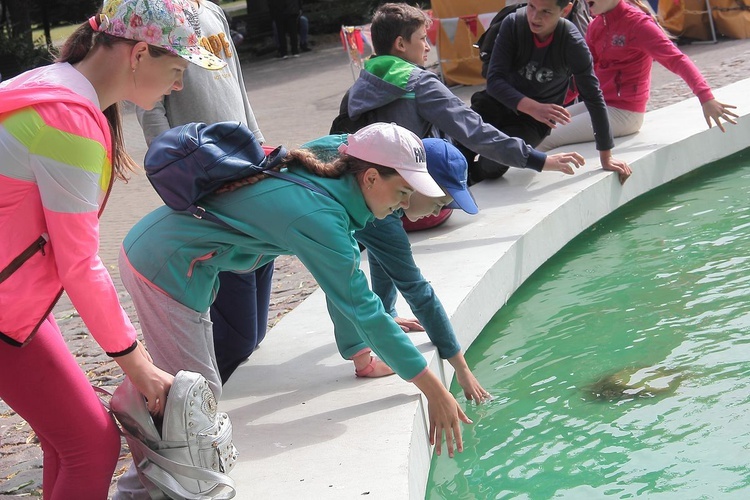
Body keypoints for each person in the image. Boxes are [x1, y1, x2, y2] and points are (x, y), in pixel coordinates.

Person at [0, 0, 225, 497]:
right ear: (140, 54)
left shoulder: (47, 86)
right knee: (91, 445)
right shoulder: (67, 120)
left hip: (17, 302)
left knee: (70, 442)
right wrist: (139, 366)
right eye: (176, 69)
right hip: (7, 306)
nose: (179, 85)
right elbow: (79, 265)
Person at [135, 0, 272, 387]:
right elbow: (150, 107)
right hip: (202, 171)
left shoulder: (213, 10)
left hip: (246, 161)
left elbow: (237, 81)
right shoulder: (157, 15)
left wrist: (257, 143)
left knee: (257, 318)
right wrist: (171, 165)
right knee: (239, 328)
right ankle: (194, 396)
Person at [332, 3, 586, 180]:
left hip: (374, 190)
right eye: (422, 38)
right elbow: (473, 130)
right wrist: (540, 161)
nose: (428, 46)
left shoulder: (358, 87)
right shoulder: (420, 83)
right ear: (400, 44)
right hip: (417, 192)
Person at [324, 138, 491, 403]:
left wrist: (387, 312)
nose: (439, 211)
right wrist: (461, 367)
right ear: (417, 182)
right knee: (342, 270)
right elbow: (415, 290)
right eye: (440, 202)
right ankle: (361, 358)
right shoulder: (378, 198)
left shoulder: (384, 191)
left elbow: (383, 255)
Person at [536, 0, 738, 153]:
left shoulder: (638, 24)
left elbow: (676, 60)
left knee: (543, 139)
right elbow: (583, 76)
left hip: (624, 114)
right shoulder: (596, 25)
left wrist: (706, 98)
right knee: (534, 128)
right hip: (598, 105)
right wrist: (547, 105)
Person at [470, 0, 631, 184]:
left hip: (533, 122)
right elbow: (494, 81)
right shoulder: (513, 23)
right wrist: (533, 107)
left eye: (546, 12)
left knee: (491, 165)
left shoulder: (571, 41)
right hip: (496, 103)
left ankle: (473, 178)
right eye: (531, 7)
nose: (535, 17)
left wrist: (606, 156)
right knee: (458, 146)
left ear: (565, 10)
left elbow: (593, 96)